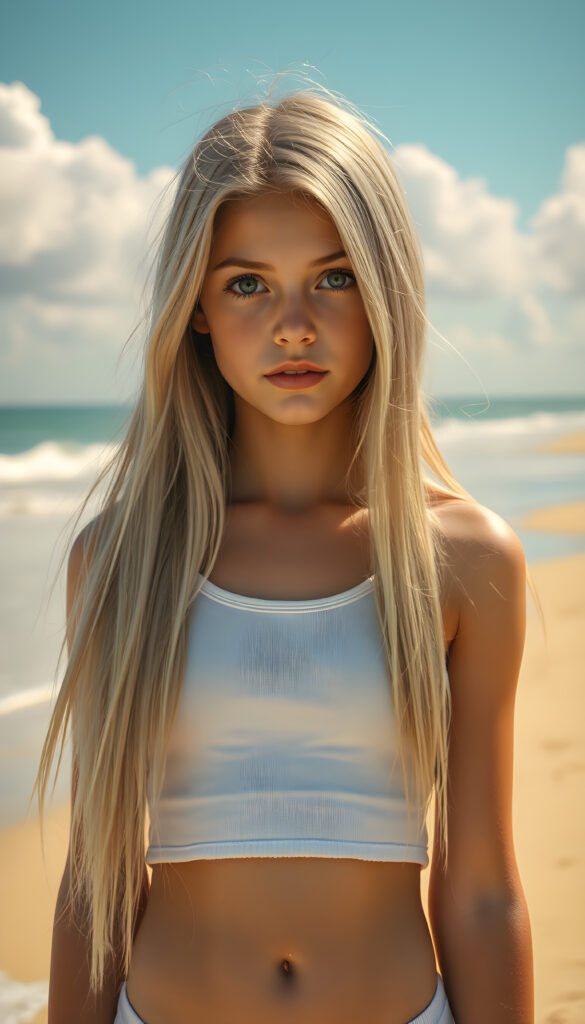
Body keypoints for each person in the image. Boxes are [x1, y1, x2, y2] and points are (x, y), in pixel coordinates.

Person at [32, 82, 536, 1023]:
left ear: (386, 290)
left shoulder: (465, 560)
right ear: (195, 307)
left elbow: (480, 889)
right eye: (247, 283)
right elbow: (93, 882)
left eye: (334, 276)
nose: (292, 323)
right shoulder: (123, 558)